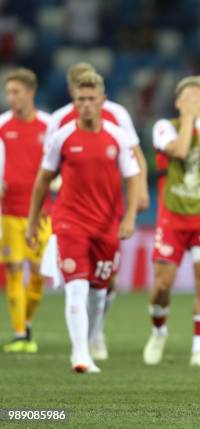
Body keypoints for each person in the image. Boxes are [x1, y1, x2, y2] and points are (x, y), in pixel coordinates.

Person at [26, 71, 139, 373]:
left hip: (106, 225)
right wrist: (32, 221)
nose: (86, 105)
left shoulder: (117, 135)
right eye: (80, 100)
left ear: (102, 100)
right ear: (73, 101)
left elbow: (133, 177)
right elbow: (42, 181)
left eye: (91, 99)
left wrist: (129, 217)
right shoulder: (61, 137)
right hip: (69, 222)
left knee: (99, 291)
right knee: (76, 286)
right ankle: (79, 355)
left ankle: (88, 343)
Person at [144, 75, 200, 367]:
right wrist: (190, 118)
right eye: (189, 98)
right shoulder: (164, 127)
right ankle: (158, 331)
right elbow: (177, 150)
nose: (195, 103)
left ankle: (199, 349)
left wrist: (198, 120)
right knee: (162, 285)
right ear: (178, 102)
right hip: (172, 220)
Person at [0, 68, 51, 353]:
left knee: (39, 273)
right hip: (8, 211)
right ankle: (20, 334)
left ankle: (27, 323)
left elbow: (60, 160)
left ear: (31, 93)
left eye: (16, 92)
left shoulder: (49, 124)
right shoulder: (1, 125)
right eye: (8, 92)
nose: (11, 97)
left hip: (42, 214)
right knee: (14, 270)